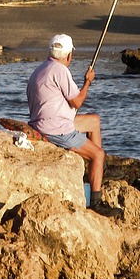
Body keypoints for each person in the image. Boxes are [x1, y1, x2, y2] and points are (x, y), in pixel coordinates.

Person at [27, 33, 115, 213]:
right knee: (98, 154)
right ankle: (96, 203)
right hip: (56, 129)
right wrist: (87, 82)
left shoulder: (40, 69)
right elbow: (77, 102)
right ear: (69, 55)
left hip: (45, 122)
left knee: (93, 121)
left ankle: (97, 170)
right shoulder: (60, 70)